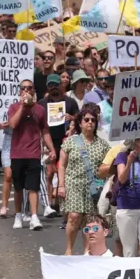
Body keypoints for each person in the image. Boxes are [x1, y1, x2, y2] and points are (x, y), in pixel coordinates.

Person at [56, 105, 110, 255]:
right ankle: (69, 249)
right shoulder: (71, 141)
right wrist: (61, 185)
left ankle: (87, 252)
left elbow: (107, 166)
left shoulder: (103, 145)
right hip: (73, 184)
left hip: (93, 188)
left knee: (89, 221)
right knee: (73, 216)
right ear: (80, 123)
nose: (90, 122)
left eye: (93, 120)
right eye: (86, 119)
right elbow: (62, 165)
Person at [8, 80, 57, 230]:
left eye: (29, 88)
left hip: (34, 153)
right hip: (17, 153)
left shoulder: (40, 110)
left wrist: (52, 148)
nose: (26, 91)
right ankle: (18, 215)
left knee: (33, 187)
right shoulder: (14, 107)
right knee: (18, 187)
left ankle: (34, 217)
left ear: (34, 91)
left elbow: (45, 131)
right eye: (23, 88)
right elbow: (13, 124)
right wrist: (23, 106)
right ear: (19, 92)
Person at [39, 74, 80, 216]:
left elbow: (80, 118)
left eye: (56, 84)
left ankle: (62, 203)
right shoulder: (42, 103)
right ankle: (49, 204)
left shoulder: (70, 102)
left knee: (65, 173)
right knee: (49, 173)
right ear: (47, 86)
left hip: (65, 140)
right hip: (48, 141)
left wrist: (72, 117)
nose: (53, 87)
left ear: (61, 85)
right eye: (50, 85)